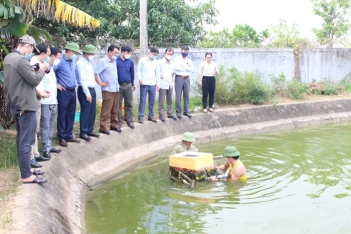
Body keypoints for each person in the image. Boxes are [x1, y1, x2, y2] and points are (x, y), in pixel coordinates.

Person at [3, 35, 48, 184]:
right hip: (25, 106)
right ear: (28, 46)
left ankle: (27, 168)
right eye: (31, 49)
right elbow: (34, 79)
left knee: (21, 139)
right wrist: (41, 69)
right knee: (26, 141)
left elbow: (22, 79)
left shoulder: (9, 58)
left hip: (16, 104)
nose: (31, 52)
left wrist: (34, 71)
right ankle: (26, 175)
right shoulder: (21, 60)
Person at [54, 42, 82, 147]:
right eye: (74, 52)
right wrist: (56, 84)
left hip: (72, 91)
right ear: (69, 51)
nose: (75, 54)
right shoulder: (60, 61)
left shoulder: (71, 61)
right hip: (64, 91)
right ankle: (61, 136)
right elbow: (50, 72)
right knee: (62, 114)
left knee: (71, 113)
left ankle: (68, 134)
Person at [30, 44, 51, 164]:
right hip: (33, 97)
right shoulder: (33, 63)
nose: (46, 58)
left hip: (38, 97)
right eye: (47, 55)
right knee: (32, 127)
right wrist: (40, 92)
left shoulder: (39, 64)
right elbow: (32, 81)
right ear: (42, 54)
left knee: (35, 127)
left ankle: (36, 153)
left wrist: (42, 91)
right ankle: (32, 156)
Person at [40, 47, 62, 158]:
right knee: (45, 125)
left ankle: (49, 145)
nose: (58, 60)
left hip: (54, 101)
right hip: (45, 102)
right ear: (51, 57)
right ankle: (45, 149)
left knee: (51, 125)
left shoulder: (51, 69)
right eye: (57, 58)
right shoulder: (43, 68)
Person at [94, 45, 120, 135]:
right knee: (106, 109)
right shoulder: (103, 62)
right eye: (115, 53)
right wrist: (100, 83)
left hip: (116, 88)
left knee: (115, 109)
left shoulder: (114, 61)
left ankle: (114, 125)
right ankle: (103, 127)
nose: (116, 54)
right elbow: (95, 73)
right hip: (107, 89)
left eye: (117, 53)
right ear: (109, 52)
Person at [76, 44, 100, 141]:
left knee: (92, 111)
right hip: (84, 89)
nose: (92, 55)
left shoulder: (88, 62)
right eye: (91, 53)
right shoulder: (80, 63)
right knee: (85, 111)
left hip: (92, 88)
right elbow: (82, 79)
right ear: (85, 53)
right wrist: (87, 93)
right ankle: (83, 132)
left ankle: (90, 130)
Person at [137, 47, 160, 123]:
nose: (154, 56)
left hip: (153, 84)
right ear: (149, 53)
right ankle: (140, 116)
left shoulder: (156, 62)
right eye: (153, 54)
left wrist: (158, 83)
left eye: (156, 55)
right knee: (142, 100)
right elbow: (139, 70)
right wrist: (140, 78)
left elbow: (158, 73)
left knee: (152, 101)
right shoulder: (142, 60)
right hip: (144, 83)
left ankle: (151, 116)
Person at [116, 45, 135, 129]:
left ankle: (129, 120)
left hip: (128, 85)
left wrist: (133, 83)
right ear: (123, 52)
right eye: (128, 53)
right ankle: (119, 121)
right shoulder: (116, 61)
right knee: (118, 105)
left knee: (129, 104)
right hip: (118, 86)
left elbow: (132, 73)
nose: (129, 55)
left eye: (130, 53)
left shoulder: (130, 62)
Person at [173, 45, 194, 119]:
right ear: (181, 50)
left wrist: (183, 66)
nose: (185, 52)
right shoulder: (177, 59)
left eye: (187, 51)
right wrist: (187, 67)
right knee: (178, 96)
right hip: (179, 78)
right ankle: (178, 112)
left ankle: (186, 111)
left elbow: (192, 69)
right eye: (184, 51)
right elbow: (176, 68)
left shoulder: (189, 60)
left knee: (187, 95)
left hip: (187, 78)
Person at [158, 48, 177, 122]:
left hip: (170, 84)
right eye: (168, 54)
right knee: (161, 100)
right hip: (163, 83)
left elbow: (173, 73)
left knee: (169, 100)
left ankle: (170, 113)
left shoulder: (173, 63)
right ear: (165, 53)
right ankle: (161, 114)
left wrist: (172, 80)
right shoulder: (160, 62)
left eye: (171, 54)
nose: (169, 55)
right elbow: (158, 73)